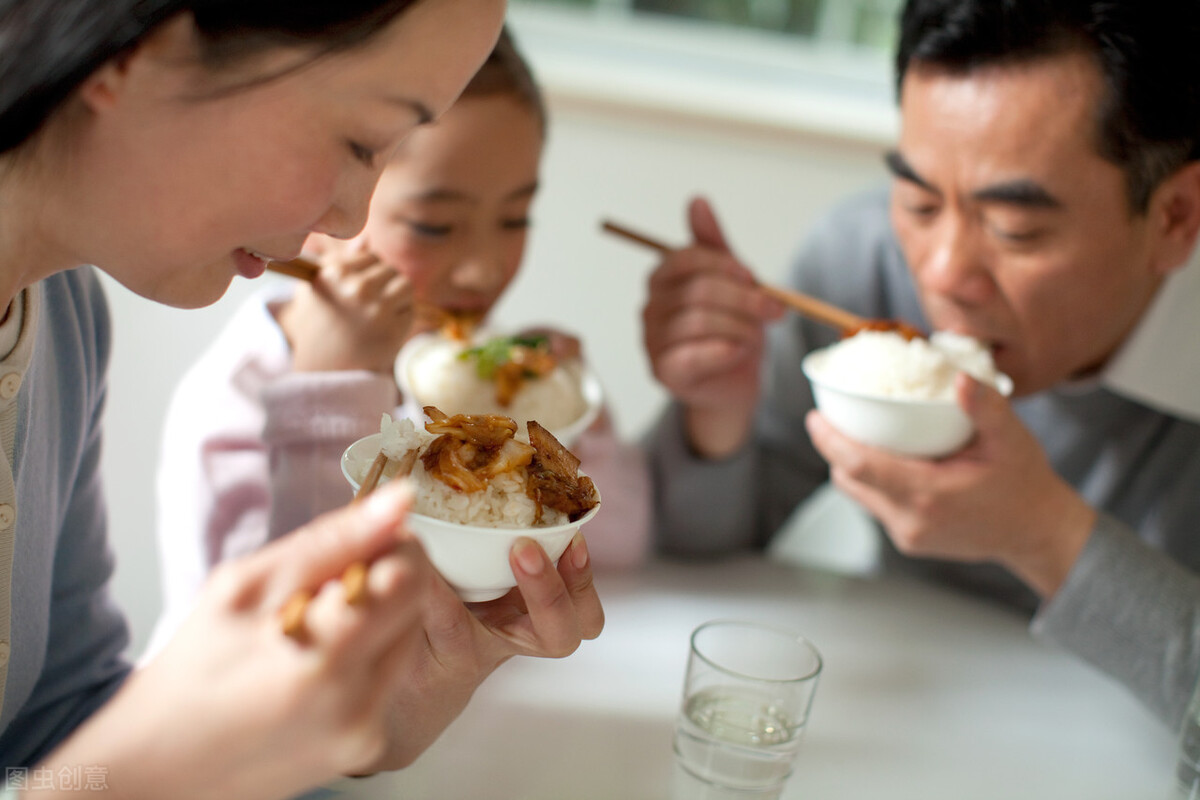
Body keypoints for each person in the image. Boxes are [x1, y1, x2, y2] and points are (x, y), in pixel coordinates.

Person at [0, 2, 605, 798]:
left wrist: (366, 716)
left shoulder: (62, 307)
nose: (354, 219)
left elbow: (53, 737)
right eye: (362, 141)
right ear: (136, 53)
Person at [641, 0, 1200, 732]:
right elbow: (691, 555)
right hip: (901, 719)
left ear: (1175, 218)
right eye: (918, 200)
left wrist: (1046, 535)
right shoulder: (863, 260)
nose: (941, 274)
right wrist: (716, 415)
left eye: (1015, 229)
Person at [149, 27, 649, 649]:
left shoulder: (479, 377)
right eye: (434, 226)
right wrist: (333, 388)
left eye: (514, 218)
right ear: (319, 205)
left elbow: (626, 539)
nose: (482, 269)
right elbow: (279, 633)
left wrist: (568, 416)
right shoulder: (241, 390)